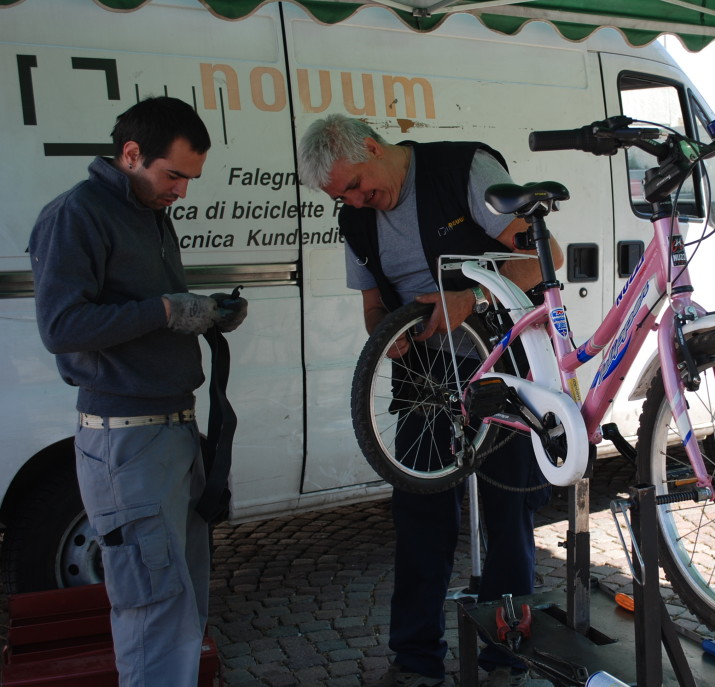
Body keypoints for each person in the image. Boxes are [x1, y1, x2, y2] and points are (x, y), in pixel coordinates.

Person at [297, 115, 562, 687]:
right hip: (423, 380)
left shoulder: (460, 170)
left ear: (372, 146)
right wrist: (382, 335)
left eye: (355, 183)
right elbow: (373, 304)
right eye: (340, 194)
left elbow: (546, 257)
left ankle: (505, 657)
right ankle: (415, 660)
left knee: (508, 515)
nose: (353, 199)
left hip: (503, 371)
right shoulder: (356, 217)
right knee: (420, 518)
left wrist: (471, 296)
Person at [28, 96, 247, 687]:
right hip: (126, 442)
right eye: (173, 174)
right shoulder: (76, 213)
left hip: (172, 430)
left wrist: (205, 315)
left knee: (180, 602)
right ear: (130, 154)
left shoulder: (147, 208)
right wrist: (168, 310)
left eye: (189, 179)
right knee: (152, 609)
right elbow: (61, 327)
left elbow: (144, 313)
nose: (181, 191)